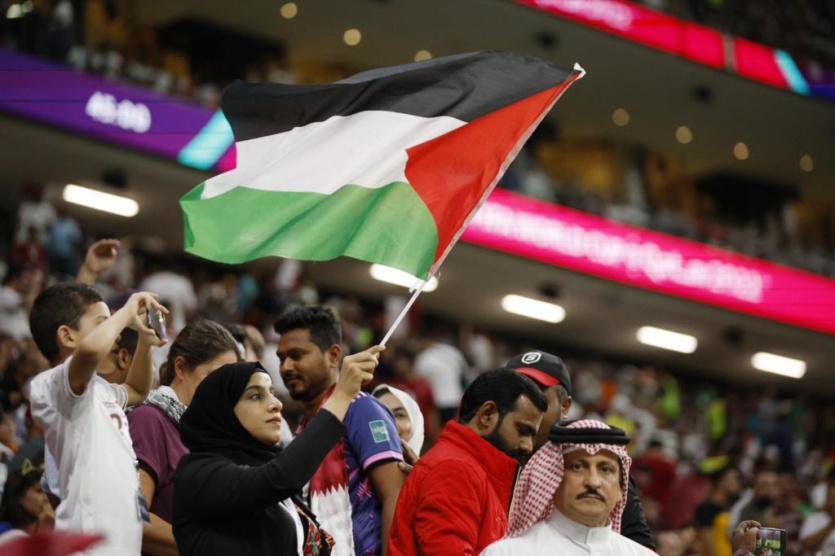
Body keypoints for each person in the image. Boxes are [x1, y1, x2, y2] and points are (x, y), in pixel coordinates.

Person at [173, 348, 382, 555]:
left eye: (272, 393)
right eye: (256, 396)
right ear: (223, 411)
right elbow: (280, 478)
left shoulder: (267, 473)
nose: (276, 404)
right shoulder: (197, 474)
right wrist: (342, 394)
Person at [28, 282, 166, 555]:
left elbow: (137, 389)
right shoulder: (54, 386)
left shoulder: (100, 391)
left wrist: (145, 342)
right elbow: (90, 351)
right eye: (104, 322)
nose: (117, 334)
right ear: (67, 336)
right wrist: (126, 311)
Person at [275, 305, 404, 556]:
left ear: (333, 355)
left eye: (296, 355)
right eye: (281, 358)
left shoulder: (362, 409)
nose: (286, 367)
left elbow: (395, 494)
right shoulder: (302, 431)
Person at [505, 350, 656, 549]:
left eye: (537, 399)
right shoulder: (486, 457)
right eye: (513, 396)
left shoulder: (598, 463)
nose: (523, 407)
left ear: (565, 406)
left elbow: (638, 545)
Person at [389, 368, 547, 556]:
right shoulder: (454, 470)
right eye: (523, 431)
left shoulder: (467, 469)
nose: (528, 446)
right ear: (487, 415)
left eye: (532, 436)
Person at [128, 319, 240, 556]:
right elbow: (133, 517)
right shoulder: (149, 420)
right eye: (216, 377)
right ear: (180, 368)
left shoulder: (209, 437)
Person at [482, 419, 655, 554]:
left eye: (605, 469)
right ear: (552, 480)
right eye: (577, 467)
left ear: (621, 489)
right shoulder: (507, 552)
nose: (593, 482)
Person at [693, 465, 743, 556]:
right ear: (721, 481)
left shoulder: (730, 508)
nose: (738, 483)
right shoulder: (708, 508)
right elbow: (707, 543)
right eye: (735, 479)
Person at [372, 384, 425, 461]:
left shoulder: (437, 466)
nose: (390, 424)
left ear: (416, 423)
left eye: (399, 415)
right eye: (381, 416)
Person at [0, 465, 54, 539]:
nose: (47, 498)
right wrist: (44, 529)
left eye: (47, 492)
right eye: (39, 491)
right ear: (19, 497)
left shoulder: (55, 522)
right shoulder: (3, 532)